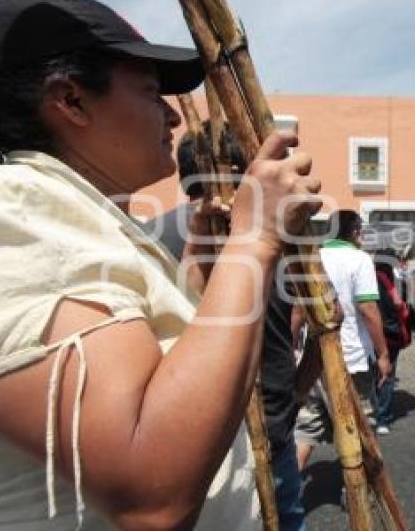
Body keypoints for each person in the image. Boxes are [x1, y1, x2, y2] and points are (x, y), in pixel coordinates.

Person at [0, 0, 321, 530]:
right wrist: (256, 237)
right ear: (71, 101)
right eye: (151, 93)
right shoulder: (8, 213)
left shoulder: (77, 215)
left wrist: (205, 269)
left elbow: (163, 371)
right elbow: (151, 491)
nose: (173, 117)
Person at [144, 126, 311, 531]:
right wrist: (291, 400)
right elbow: (316, 325)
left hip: (189, 429)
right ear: (244, 170)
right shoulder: (280, 233)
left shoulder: (147, 234)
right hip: (225, 430)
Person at [294, 210, 391, 470]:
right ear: (356, 232)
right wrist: (383, 354)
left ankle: (285, 494)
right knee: (359, 427)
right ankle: (360, 494)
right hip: (352, 355)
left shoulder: (313, 256)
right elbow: (368, 308)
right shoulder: (359, 259)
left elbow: (297, 310)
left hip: (312, 357)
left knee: (306, 430)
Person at [372, 250, 411, 435]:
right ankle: (383, 419)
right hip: (391, 333)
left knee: (371, 374)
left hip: (371, 333)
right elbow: (403, 306)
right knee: (387, 376)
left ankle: (370, 413)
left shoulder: (368, 279)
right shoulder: (395, 283)